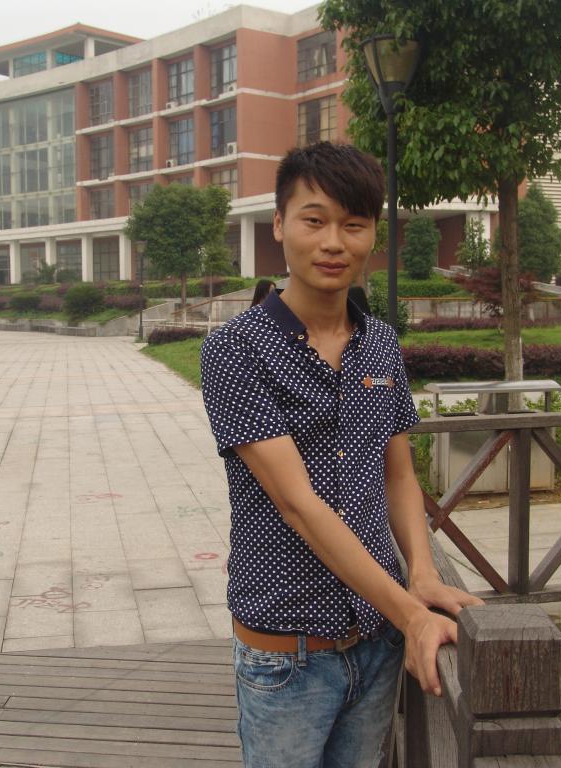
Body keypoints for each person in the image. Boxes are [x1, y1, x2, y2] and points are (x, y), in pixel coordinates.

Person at [200, 142, 482, 768]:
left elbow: (399, 475)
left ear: (373, 234)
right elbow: (297, 504)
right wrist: (412, 615)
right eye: (314, 220)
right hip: (288, 650)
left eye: (353, 225)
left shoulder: (380, 343)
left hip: (376, 641)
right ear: (279, 225)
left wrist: (422, 573)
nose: (333, 242)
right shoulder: (236, 351)